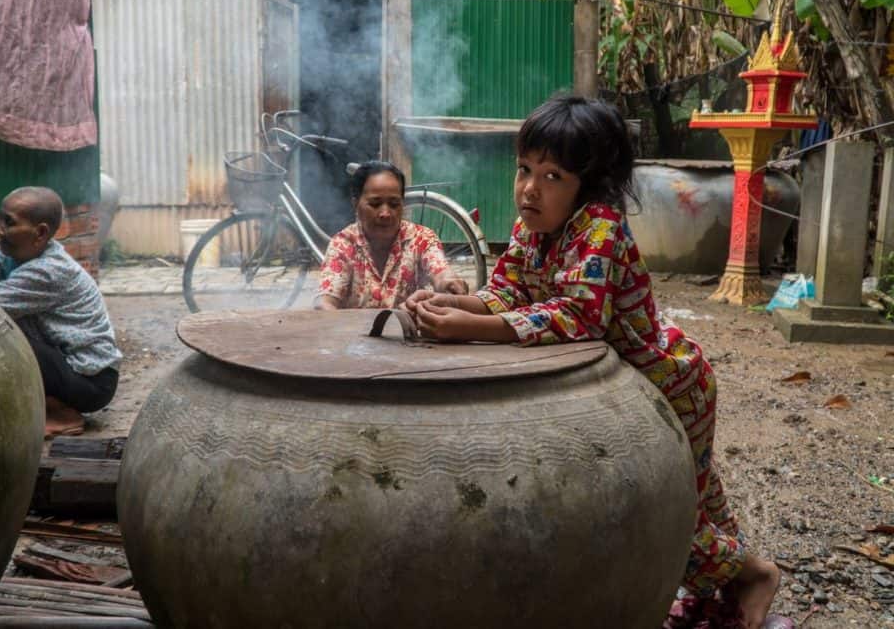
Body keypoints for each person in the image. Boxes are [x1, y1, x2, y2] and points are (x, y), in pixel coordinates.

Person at [404, 96, 786, 629]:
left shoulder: (600, 227)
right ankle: (716, 592)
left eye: (552, 175)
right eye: (524, 170)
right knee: (701, 493)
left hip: (669, 380)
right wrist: (453, 305)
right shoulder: (529, 229)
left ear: (590, 184)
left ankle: (757, 573)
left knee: (675, 508)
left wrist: (468, 327)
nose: (529, 188)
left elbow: (577, 316)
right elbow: (507, 294)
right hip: (638, 380)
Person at [0, 186, 122, 439]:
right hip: (67, 366)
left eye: (9, 223)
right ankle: (47, 403)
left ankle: (61, 413)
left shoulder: (48, 271)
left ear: (40, 233)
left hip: (92, 382)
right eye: (0, 219)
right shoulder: (16, 254)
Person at [314, 161, 468, 310]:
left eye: (394, 204)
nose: (385, 214)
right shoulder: (343, 244)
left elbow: (440, 270)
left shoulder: (421, 238)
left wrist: (448, 281)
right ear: (356, 204)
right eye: (375, 204)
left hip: (408, 334)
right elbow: (325, 302)